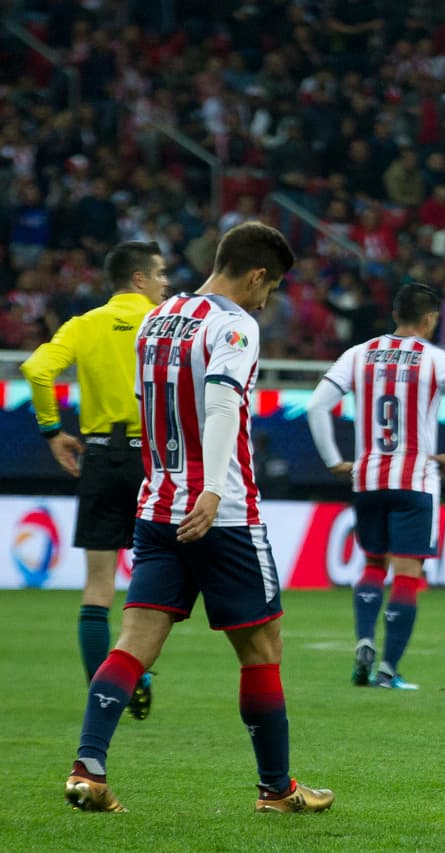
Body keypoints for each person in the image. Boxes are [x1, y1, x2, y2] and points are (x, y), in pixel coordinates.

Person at [64, 222, 334, 814]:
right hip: (224, 512)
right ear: (257, 274)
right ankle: (276, 789)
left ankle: (89, 767)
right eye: (272, 288)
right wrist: (212, 491)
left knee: (133, 644)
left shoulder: (158, 317)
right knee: (262, 649)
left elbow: (149, 406)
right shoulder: (234, 323)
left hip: (156, 505)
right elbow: (219, 404)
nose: (268, 301)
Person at [306, 283, 445, 689]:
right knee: (407, 573)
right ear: (429, 319)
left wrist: (333, 461)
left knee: (374, 564)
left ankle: (363, 640)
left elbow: (316, 405)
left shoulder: (357, 354)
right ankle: (389, 669)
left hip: (369, 478)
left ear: (396, 314)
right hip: (415, 479)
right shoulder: (436, 360)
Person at [21, 241, 166, 715]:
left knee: (98, 586)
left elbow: (37, 368)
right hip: (153, 461)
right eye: (160, 274)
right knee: (153, 581)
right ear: (140, 278)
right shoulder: (163, 324)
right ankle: (136, 670)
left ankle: (103, 693)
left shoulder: (85, 325)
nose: (166, 283)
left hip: (101, 457)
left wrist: (51, 431)